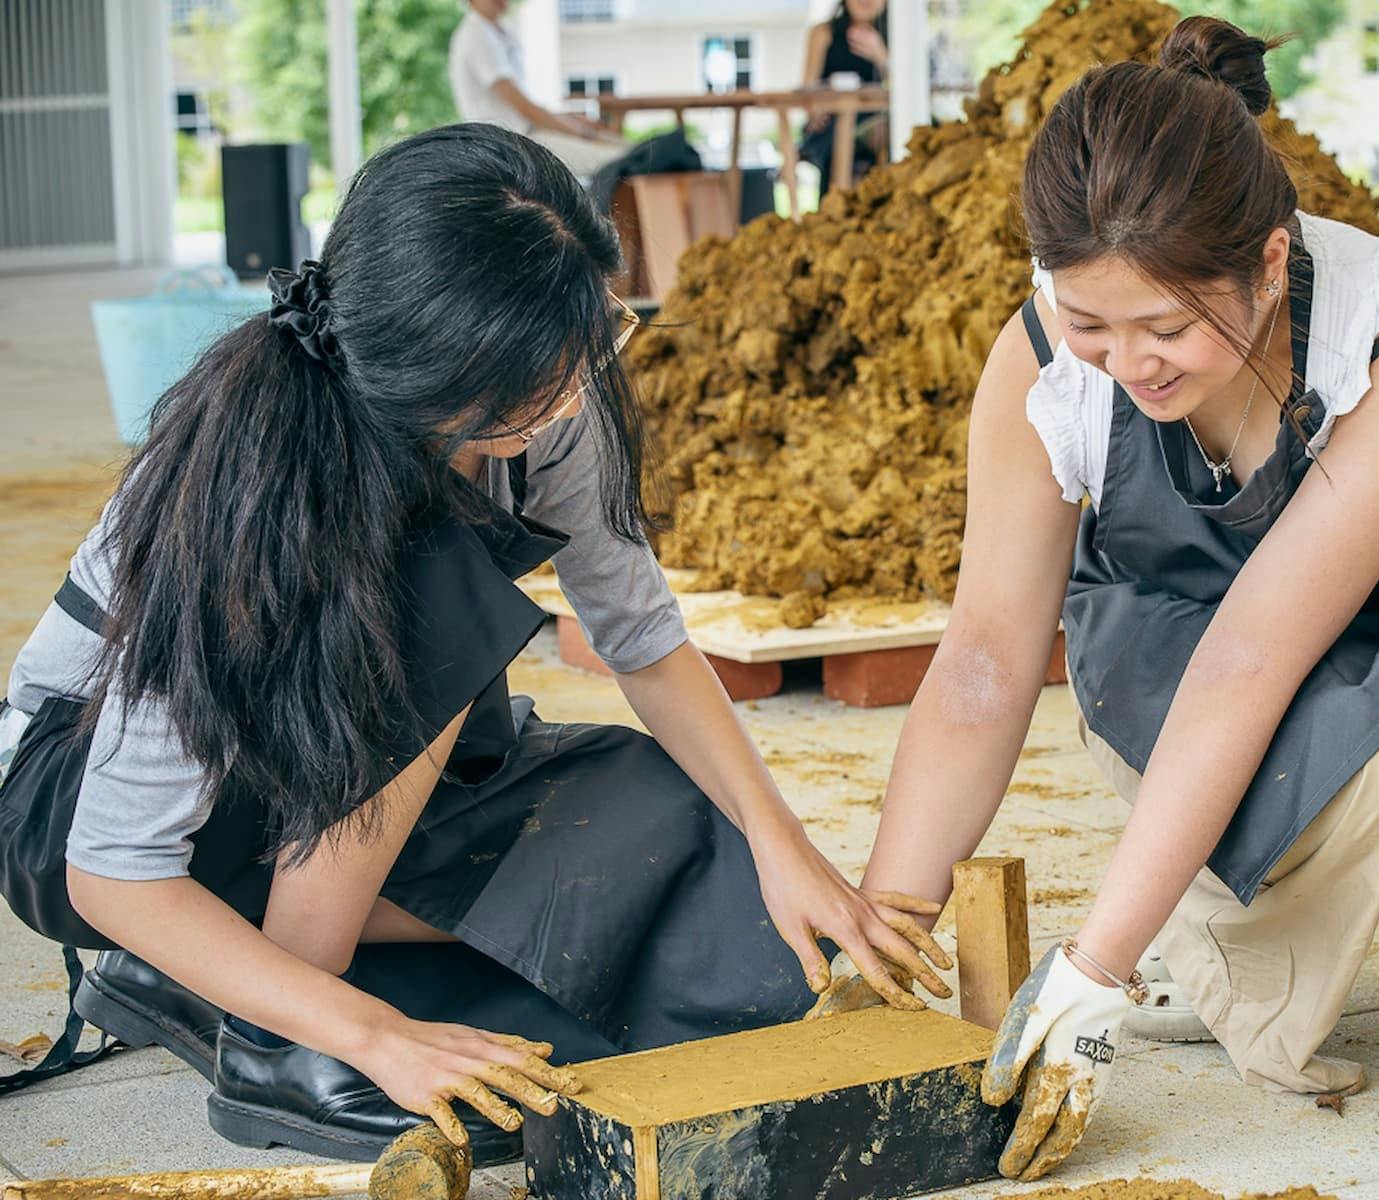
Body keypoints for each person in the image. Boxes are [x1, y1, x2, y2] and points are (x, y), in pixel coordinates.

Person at [0, 124, 949, 1161]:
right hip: (82, 802)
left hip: (311, 797)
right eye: (518, 387)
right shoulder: (238, 481)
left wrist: (787, 849)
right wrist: (374, 1035)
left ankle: (197, 962)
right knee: (439, 592)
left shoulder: (551, 393)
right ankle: (284, 1027)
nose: (560, 402)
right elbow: (115, 868)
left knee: (668, 840)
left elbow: (640, 639)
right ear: (420, 363)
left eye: (577, 356)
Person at [810, 16, 1379, 1181]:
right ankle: (1208, 945)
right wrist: (888, 930)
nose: (1127, 364)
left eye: (1165, 329)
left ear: (1269, 267)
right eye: (1089, 322)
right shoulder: (1044, 363)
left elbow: (1264, 655)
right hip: (1175, 645)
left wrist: (1088, 969)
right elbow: (990, 657)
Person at [449, 0, 626, 179]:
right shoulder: (475, 36)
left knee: (624, 147)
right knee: (620, 160)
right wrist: (579, 132)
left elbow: (525, 107)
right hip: (510, 143)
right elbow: (523, 107)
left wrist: (570, 120)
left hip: (528, 132)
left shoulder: (500, 31)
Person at [800, 0, 890, 197]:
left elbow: (904, 88)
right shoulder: (823, 33)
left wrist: (880, 55)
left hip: (876, 122)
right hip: (830, 122)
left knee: (885, 134)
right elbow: (807, 89)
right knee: (843, 133)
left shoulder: (894, 36)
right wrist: (815, 109)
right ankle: (836, 203)